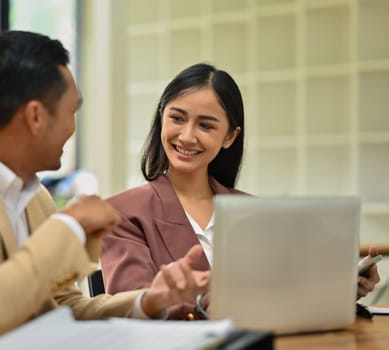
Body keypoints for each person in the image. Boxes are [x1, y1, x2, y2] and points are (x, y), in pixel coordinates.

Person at [0, 31, 209, 345]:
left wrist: (148, 302)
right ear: (35, 116)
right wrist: (70, 225)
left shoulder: (34, 196)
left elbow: (64, 311)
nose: (72, 127)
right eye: (72, 111)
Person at [100, 63, 381, 320]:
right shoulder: (122, 213)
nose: (186, 136)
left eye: (206, 125)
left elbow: (287, 291)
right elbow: (134, 305)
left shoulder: (254, 212)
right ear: (162, 117)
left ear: (230, 137)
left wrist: (337, 289)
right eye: (177, 118)